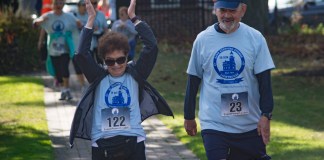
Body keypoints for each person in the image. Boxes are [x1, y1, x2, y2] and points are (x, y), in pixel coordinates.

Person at [69, 0, 174, 159]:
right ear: (104, 61)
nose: (116, 65)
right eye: (110, 61)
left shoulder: (136, 73)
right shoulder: (98, 76)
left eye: (121, 60)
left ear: (127, 57)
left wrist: (134, 18)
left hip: (133, 140)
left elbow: (151, 46)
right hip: (102, 143)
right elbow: (82, 54)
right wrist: (91, 19)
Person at [183, 0, 275, 159]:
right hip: (214, 124)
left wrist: (266, 115)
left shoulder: (255, 38)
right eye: (222, 10)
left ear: (243, 10)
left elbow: (265, 83)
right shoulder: (203, 40)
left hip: (250, 126)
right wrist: (188, 115)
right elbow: (193, 80)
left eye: (232, 11)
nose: (226, 15)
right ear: (215, 9)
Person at [33, 0, 82, 100]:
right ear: (52, 5)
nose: (58, 5)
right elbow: (35, 24)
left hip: (65, 48)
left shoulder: (68, 16)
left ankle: (66, 90)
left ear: (63, 4)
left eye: (60, 3)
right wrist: (39, 21)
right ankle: (63, 90)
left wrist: (78, 25)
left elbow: (78, 24)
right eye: (56, 3)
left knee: (64, 68)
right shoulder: (48, 16)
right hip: (52, 49)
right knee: (57, 72)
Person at [72, 0, 89, 90]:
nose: (84, 7)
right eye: (83, 5)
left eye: (85, 5)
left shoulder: (89, 15)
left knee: (87, 66)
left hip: (88, 46)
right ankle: (83, 85)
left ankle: (89, 83)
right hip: (75, 46)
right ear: (78, 6)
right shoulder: (73, 16)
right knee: (78, 67)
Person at [89, 0, 108, 64]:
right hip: (89, 40)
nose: (93, 5)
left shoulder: (101, 14)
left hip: (99, 39)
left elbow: (105, 28)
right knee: (90, 61)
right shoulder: (85, 14)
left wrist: (106, 39)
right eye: (91, 3)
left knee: (100, 60)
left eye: (95, 3)